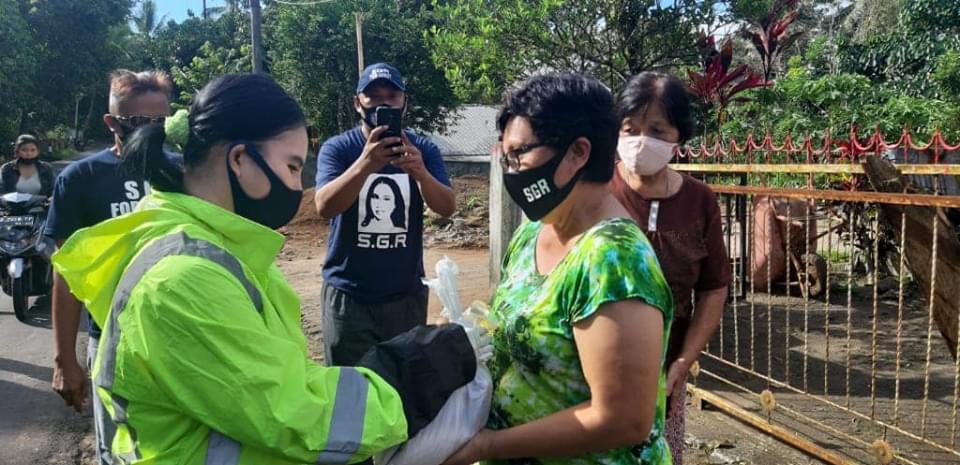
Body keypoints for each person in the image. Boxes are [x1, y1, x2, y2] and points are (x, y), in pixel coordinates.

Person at [51, 73, 477, 464]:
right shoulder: (183, 281)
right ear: (240, 158)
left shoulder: (225, 251)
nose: (295, 186)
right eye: (292, 166)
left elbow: (277, 378)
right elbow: (299, 419)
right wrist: (413, 376)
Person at [443, 72, 674, 465]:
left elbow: (623, 419)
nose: (511, 169)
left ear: (578, 153)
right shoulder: (533, 232)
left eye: (519, 154)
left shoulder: (614, 261)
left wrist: (488, 446)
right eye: (505, 157)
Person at [48, 69, 171, 465]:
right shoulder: (81, 179)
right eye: (138, 121)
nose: (151, 130)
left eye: (160, 121)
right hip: (114, 342)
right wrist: (65, 358)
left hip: (181, 334)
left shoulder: (186, 172)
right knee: (120, 451)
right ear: (112, 122)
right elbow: (68, 273)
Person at [608, 72, 731, 465]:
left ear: (679, 136)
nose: (641, 141)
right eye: (630, 129)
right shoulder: (596, 191)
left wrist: (682, 362)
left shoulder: (700, 202)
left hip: (665, 380)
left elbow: (713, 288)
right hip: (595, 371)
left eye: (656, 130)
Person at [314, 62, 455, 366]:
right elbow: (324, 206)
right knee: (347, 386)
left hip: (405, 297)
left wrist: (422, 174)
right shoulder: (338, 148)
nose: (383, 104)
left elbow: (446, 207)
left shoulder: (423, 149)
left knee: (401, 386)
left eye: (392, 96)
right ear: (357, 103)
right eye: (374, 97)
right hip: (348, 297)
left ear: (404, 103)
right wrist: (366, 164)